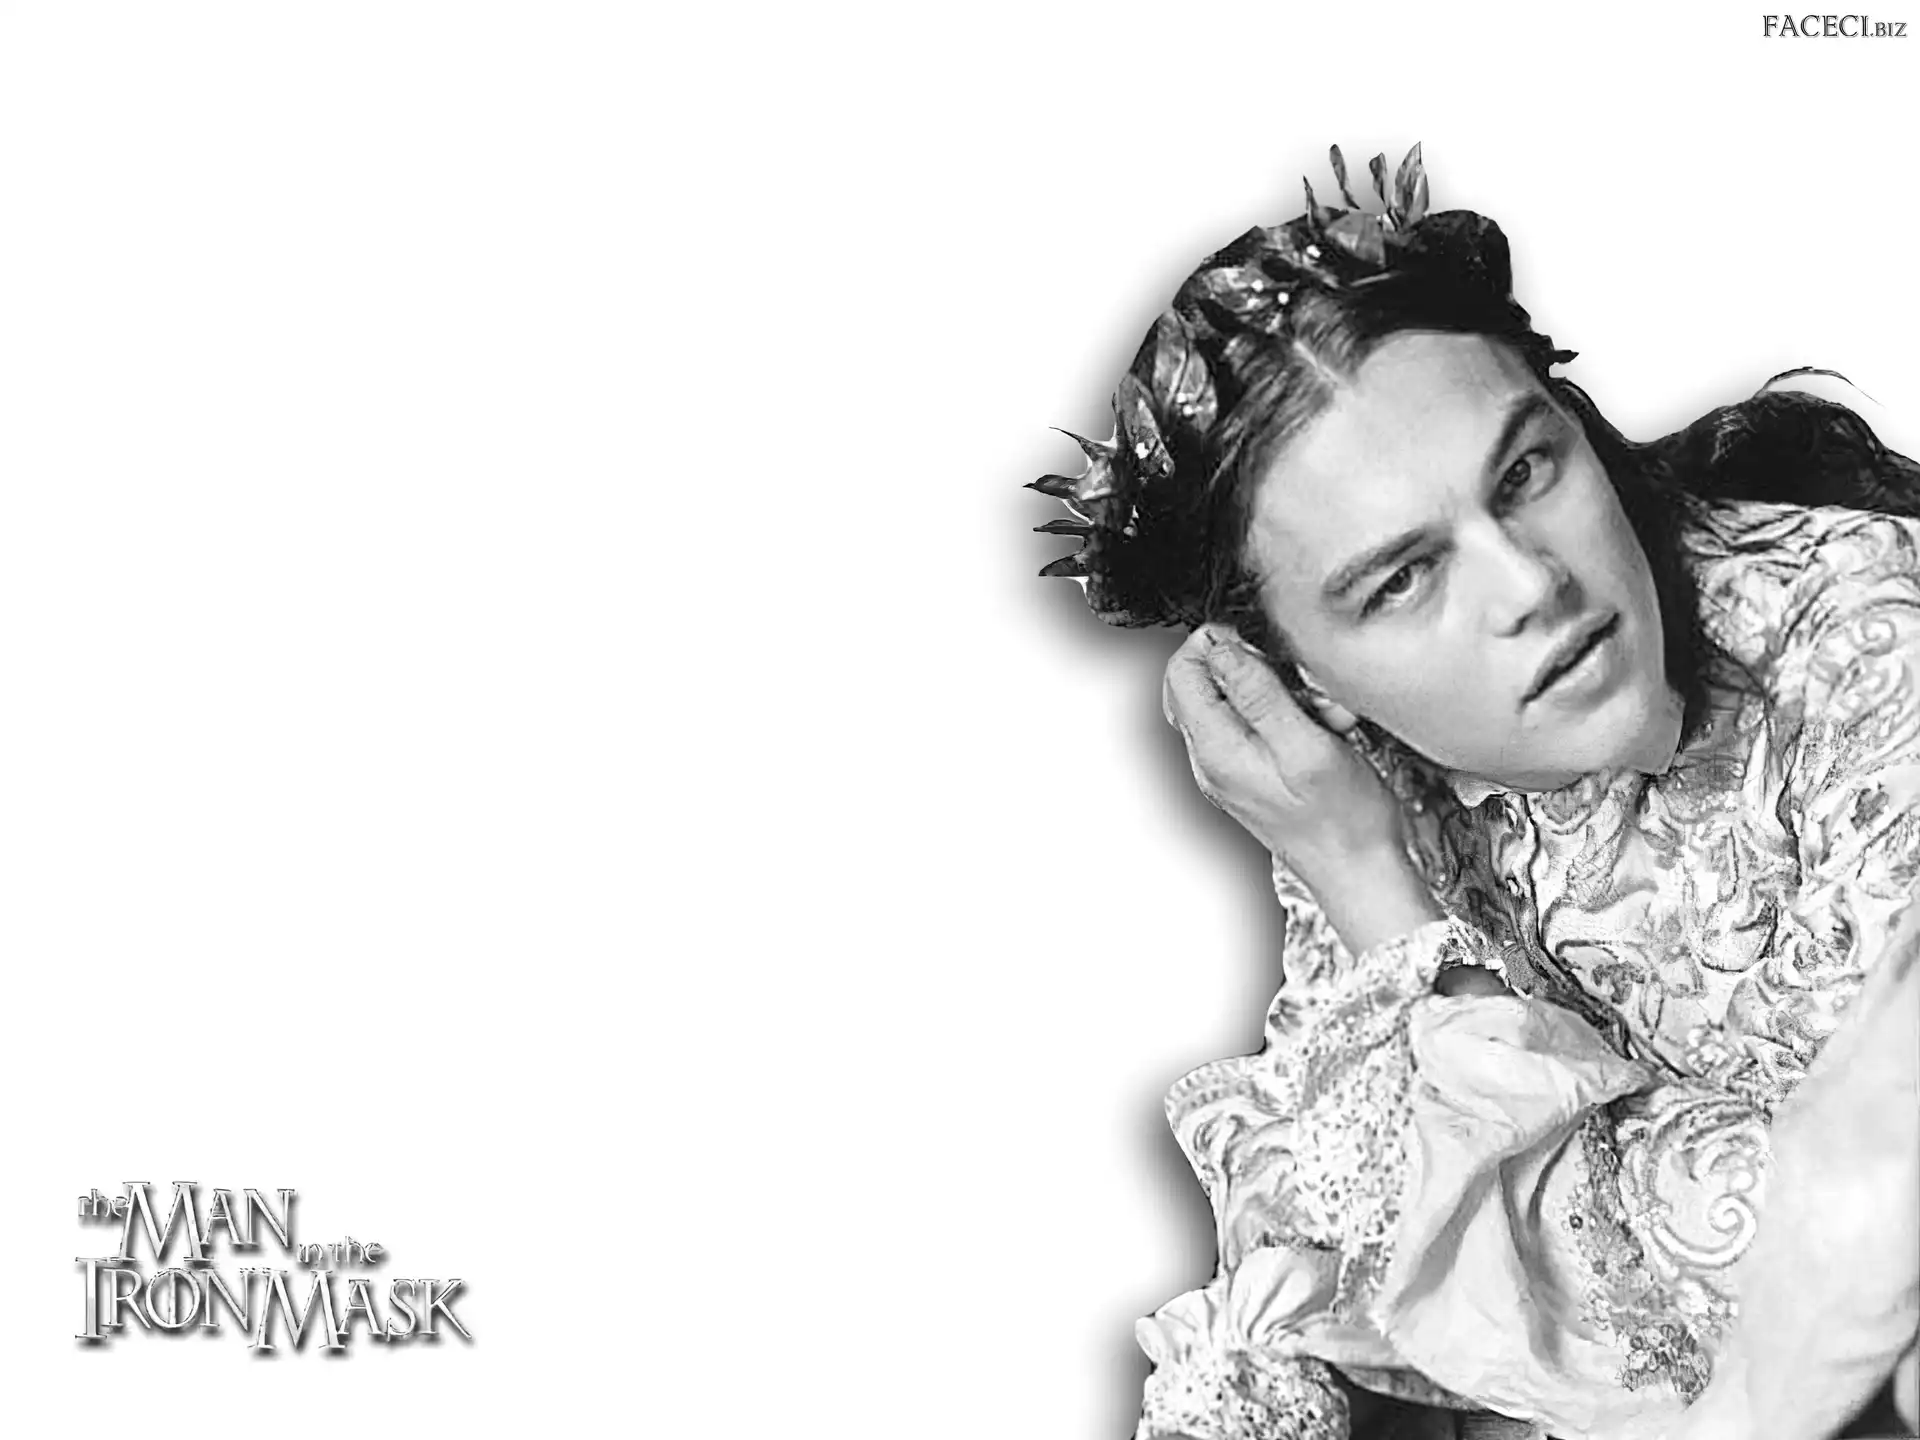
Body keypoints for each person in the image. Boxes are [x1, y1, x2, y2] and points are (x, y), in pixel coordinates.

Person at [1029, 146, 1920, 1440]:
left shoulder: (1871, 637)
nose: (1530, 586)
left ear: (1578, 428)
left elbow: (1801, 1277)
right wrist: (1359, 876)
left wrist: (1393, 923)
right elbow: (1337, 1261)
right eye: (1403, 579)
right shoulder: (1381, 782)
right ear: (1307, 682)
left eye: (1524, 474)